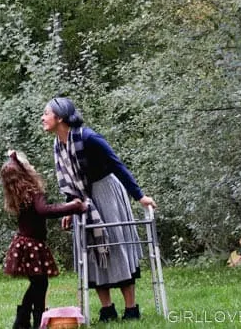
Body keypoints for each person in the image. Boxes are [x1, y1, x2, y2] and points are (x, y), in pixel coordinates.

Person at [41, 97, 157, 322]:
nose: (42, 118)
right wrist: (69, 207)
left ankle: (131, 309)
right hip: (83, 199)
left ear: (61, 117)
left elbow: (117, 164)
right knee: (91, 251)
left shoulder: (89, 138)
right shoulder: (59, 144)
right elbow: (70, 181)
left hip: (106, 192)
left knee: (116, 244)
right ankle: (107, 309)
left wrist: (140, 196)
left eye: (46, 113)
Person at [0, 150, 88, 329]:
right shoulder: (33, 192)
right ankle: (27, 320)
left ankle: (30, 321)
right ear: (25, 171)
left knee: (38, 283)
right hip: (32, 245)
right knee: (39, 283)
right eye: (28, 164)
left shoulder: (19, 193)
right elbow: (44, 210)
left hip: (24, 242)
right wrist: (72, 207)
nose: (32, 166)